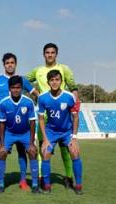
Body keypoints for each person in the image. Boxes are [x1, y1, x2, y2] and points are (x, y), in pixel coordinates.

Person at [26, 43, 80, 189]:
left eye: (52, 52)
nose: (50, 55)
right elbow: (24, 80)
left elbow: (73, 86)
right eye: (47, 52)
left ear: (56, 54)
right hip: (44, 117)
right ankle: (41, 178)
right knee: (43, 149)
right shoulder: (38, 70)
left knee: (66, 150)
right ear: (43, 54)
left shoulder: (64, 69)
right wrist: (35, 93)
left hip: (62, 116)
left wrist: (74, 101)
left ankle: (69, 177)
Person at [0, 52, 38, 191]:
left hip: (21, 122)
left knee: (22, 152)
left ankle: (23, 180)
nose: (10, 65)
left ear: (15, 64)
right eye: (7, 63)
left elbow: (36, 93)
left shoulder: (22, 80)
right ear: (3, 65)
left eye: (12, 62)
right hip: (2, 122)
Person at [36, 70, 83, 194]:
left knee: (75, 152)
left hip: (66, 132)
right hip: (51, 131)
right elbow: (41, 119)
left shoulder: (69, 97)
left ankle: (78, 186)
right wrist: (45, 139)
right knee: (45, 152)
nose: (54, 82)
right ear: (48, 82)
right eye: (52, 80)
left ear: (61, 81)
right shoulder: (42, 98)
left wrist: (74, 137)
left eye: (57, 80)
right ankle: (47, 186)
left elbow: (75, 117)